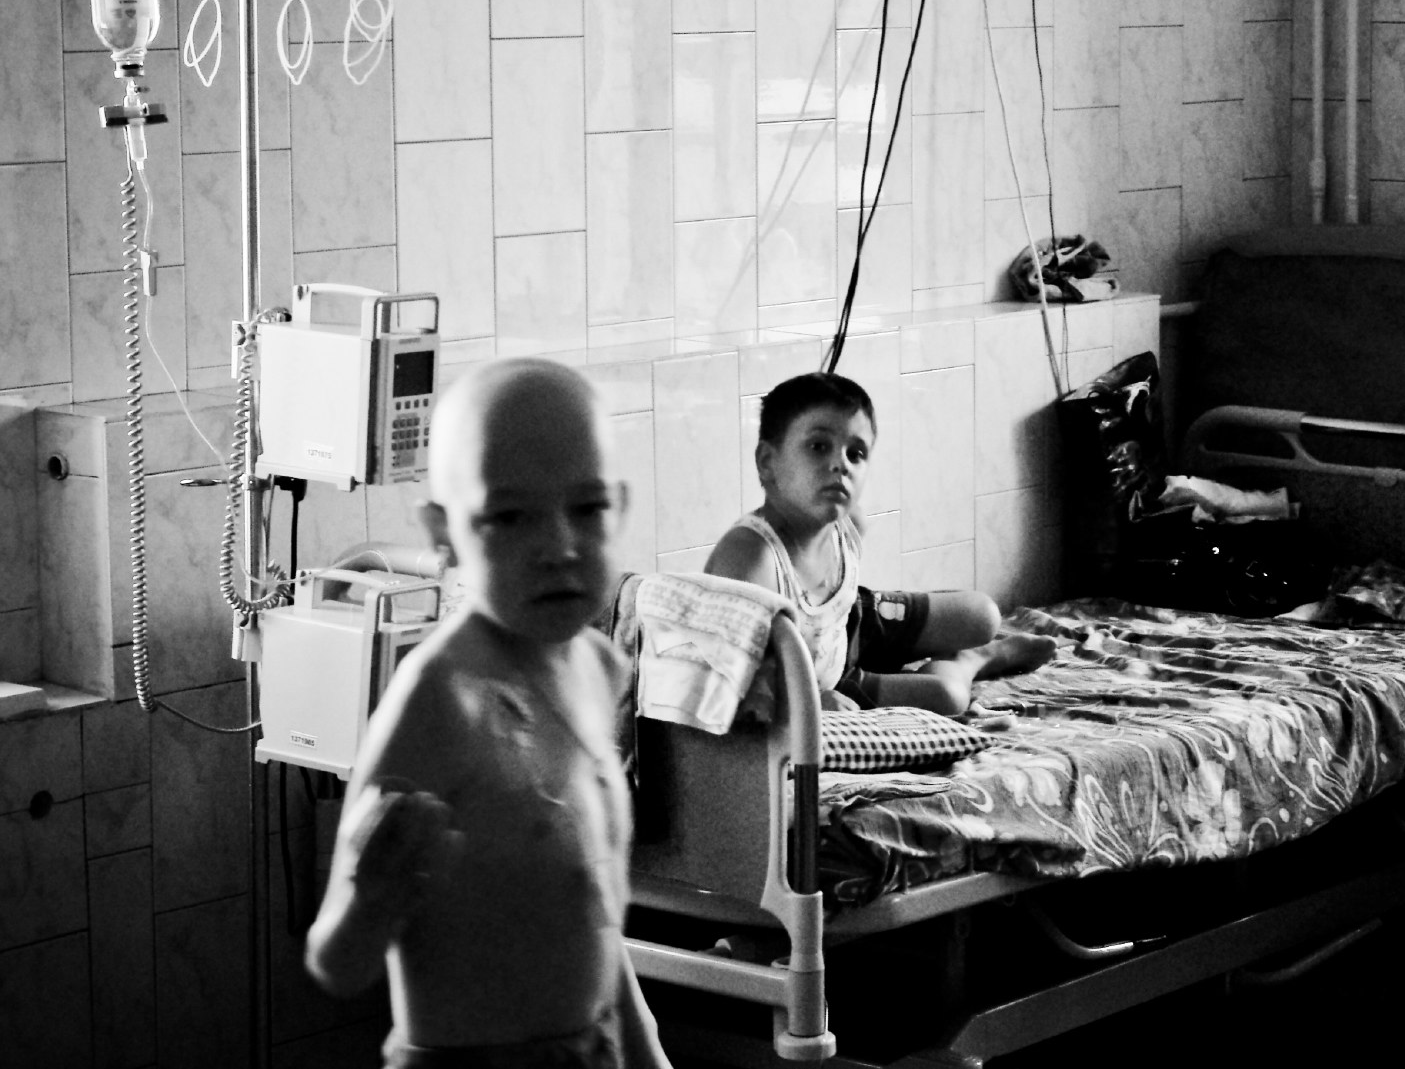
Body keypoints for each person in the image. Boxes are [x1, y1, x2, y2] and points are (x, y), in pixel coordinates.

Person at [306, 358, 669, 1069]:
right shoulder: (440, 696)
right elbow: (336, 964)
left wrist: (647, 1050)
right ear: (443, 531)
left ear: (620, 507)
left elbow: (591, 910)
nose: (559, 546)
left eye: (587, 508)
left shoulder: (597, 670)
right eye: (509, 517)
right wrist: (369, 900)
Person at [704, 371, 1055, 714]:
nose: (841, 465)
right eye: (818, 447)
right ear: (767, 462)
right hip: (821, 682)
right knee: (949, 696)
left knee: (983, 615)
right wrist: (811, 703)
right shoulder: (751, 556)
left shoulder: (849, 525)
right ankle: (974, 660)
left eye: (856, 453)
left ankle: (958, 643)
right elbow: (729, 680)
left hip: (853, 622)